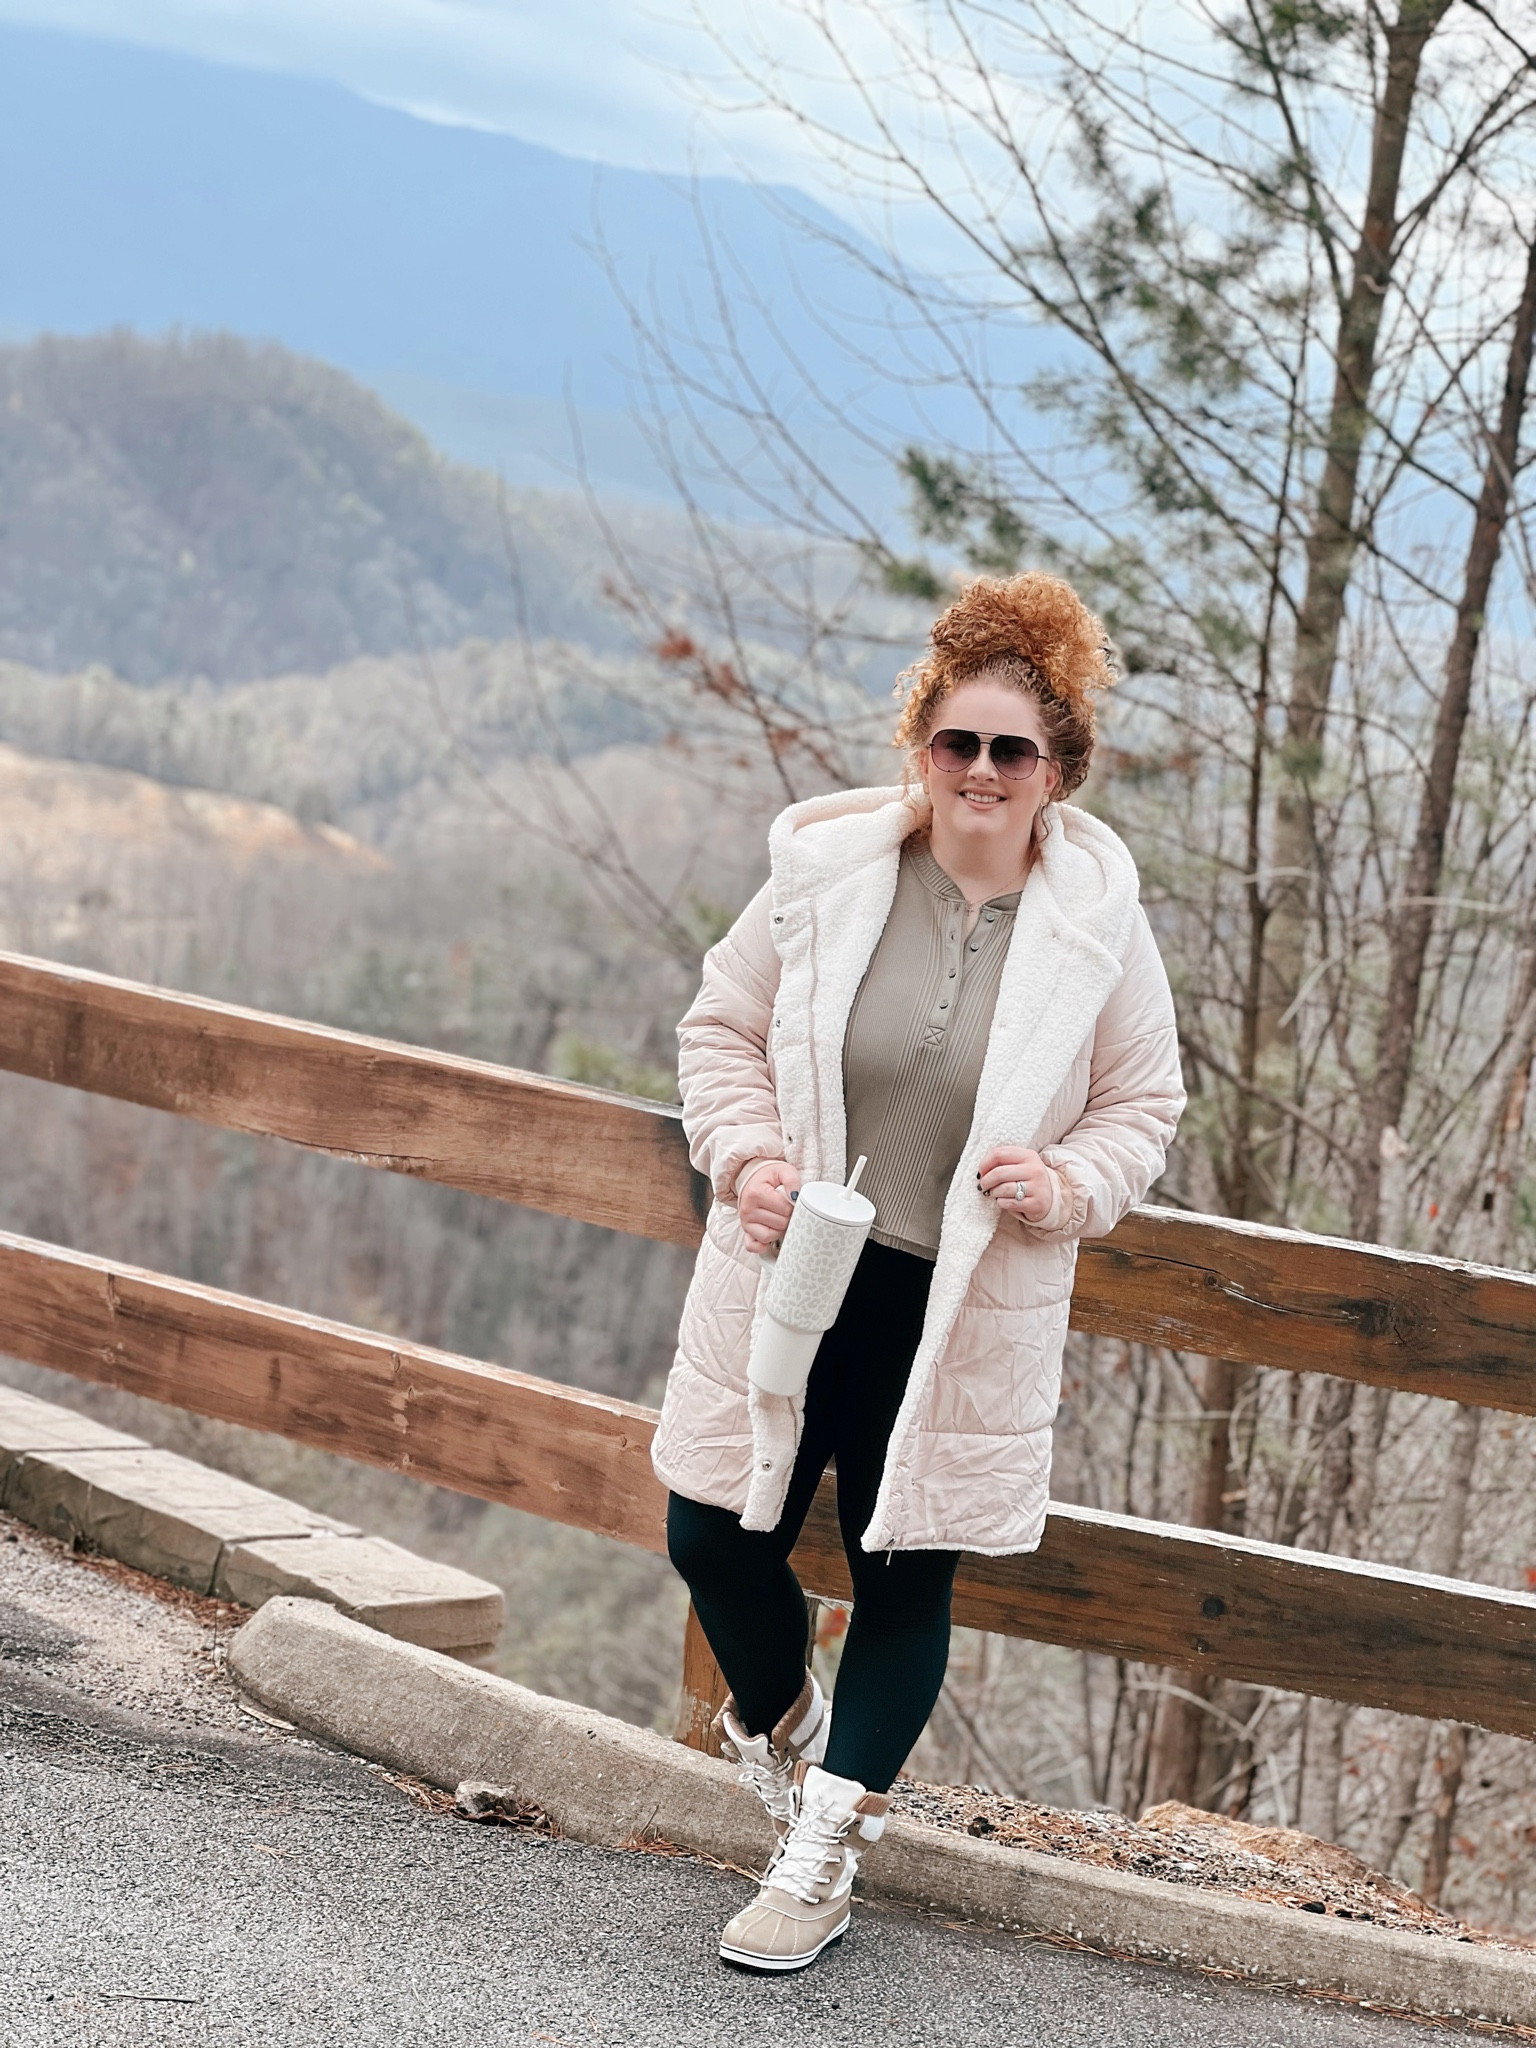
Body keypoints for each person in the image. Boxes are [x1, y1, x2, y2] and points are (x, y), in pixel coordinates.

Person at [652, 571, 1185, 1973]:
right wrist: (748, 1153)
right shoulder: (826, 878)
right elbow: (719, 1030)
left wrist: (1066, 1184)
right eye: (960, 744)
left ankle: (821, 1850)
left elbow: (1144, 1108)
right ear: (923, 751)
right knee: (712, 1534)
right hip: (795, 1264)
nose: (984, 772)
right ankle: (802, 1739)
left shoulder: (1096, 930)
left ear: (1059, 769)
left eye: (1015, 750)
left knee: (903, 1574)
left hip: (959, 1304)